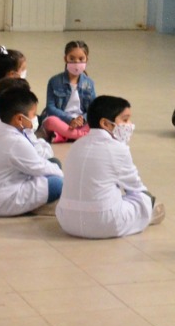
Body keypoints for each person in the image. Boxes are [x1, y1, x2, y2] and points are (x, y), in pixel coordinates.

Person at [58, 95, 164, 238]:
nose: (130, 124)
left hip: (67, 222)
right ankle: (145, 217)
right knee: (145, 198)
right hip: (103, 224)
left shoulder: (76, 145)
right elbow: (135, 187)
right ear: (106, 124)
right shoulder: (118, 149)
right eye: (125, 120)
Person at [0, 85, 63, 217]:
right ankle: (37, 207)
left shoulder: (0, 131)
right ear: (19, 119)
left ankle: (35, 202)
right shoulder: (15, 141)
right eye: (33, 115)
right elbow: (39, 167)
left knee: (53, 163)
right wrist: (66, 179)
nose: (35, 119)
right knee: (57, 183)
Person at [42, 41, 95, 143]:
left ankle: (63, 136)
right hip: (62, 120)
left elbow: (93, 109)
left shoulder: (89, 83)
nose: (76, 62)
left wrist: (82, 120)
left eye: (81, 59)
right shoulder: (54, 81)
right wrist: (70, 120)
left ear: (86, 60)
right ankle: (80, 135)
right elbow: (50, 107)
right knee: (50, 121)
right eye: (72, 58)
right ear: (65, 58)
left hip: (81, 122)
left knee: (101, 118)